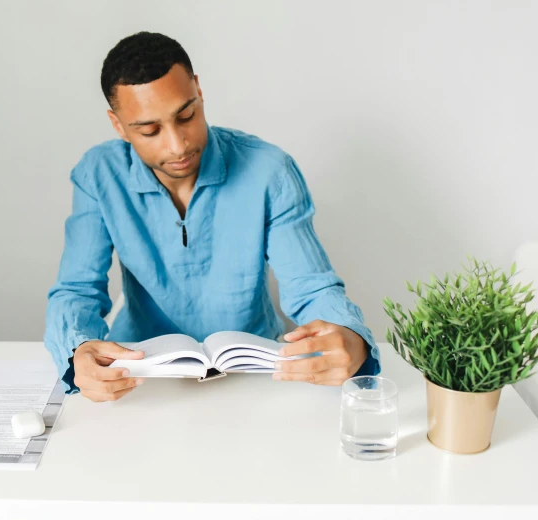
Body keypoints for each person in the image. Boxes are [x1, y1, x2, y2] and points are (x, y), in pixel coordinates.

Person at [44, 32, 380, 402]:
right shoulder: (98, 174)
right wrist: (78, 351)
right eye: (150, 130)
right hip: (141, 377)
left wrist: (351, 336)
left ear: (199, 91)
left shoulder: (270, 171)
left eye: (186, 115)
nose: (177, 145)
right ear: (118, 125)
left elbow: (312, 287)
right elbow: (77, 290)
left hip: (256, 373)